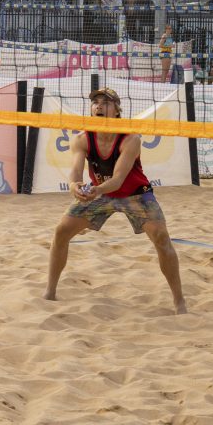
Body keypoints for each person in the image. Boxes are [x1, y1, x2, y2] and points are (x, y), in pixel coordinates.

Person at [44, 87, 186, 313]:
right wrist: (74, 186)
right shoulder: (81, 139)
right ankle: (49, 292)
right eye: (96, 102)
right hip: (101, 193)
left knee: (161, 237)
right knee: (61, 231)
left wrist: (96, 190)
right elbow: (75, 172)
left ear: (117, 110)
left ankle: (179, 302)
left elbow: (119, 179)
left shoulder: (130, 139)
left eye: (106, 102)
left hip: (135, 193)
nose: (99, 105)